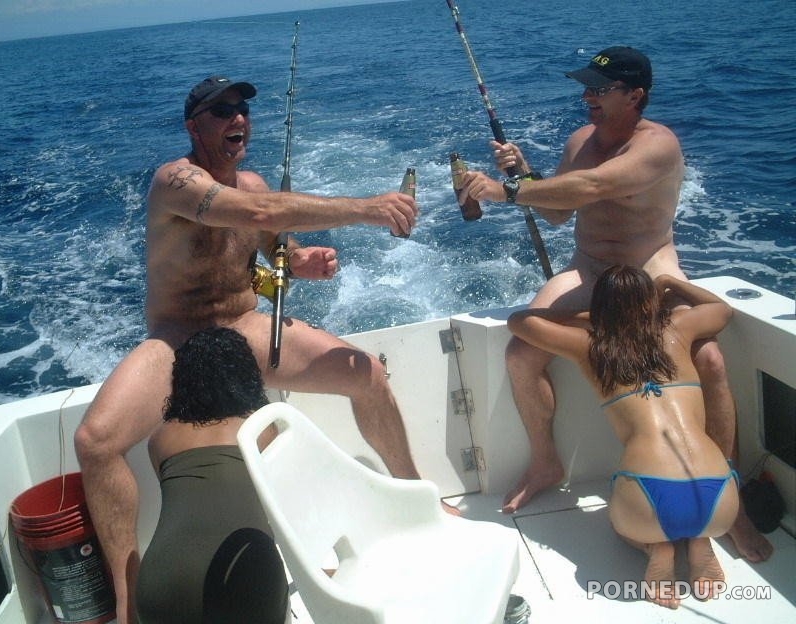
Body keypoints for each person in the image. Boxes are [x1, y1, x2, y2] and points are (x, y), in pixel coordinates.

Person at [74, 75, 450, 624]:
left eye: (243, 109)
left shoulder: (252, 183)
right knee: (96, 442)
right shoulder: (176, 180)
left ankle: (416, 499)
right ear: (194, 126)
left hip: (244, 325)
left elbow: (273, 245)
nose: (238, 119)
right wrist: (368, 208)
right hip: (180, 337)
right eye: (222, 110)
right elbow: (258, 216)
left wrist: (299, 261)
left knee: (367, 373)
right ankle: (128, 602)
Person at [460, 46, 772, 562]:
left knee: (710, 359)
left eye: (600, 89)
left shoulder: (659, 146)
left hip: (649, 269)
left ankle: (728, 490)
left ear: (635, 95)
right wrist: (525, 176)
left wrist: (507, 193)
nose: (587, 97)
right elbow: (560, 212)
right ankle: (545, 462)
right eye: (586, 87)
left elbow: (595, 184)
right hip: (589, 267)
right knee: (521, 353)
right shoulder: (580, 141)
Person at [508, 266, 738, 609]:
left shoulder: (589, 345)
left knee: (622, 522)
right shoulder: (679, 328)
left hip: (647, 503)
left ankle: (655, 546)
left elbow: (518, 322)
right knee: (697, 504)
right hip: (721, 500)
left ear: (600, 308)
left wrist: (585, 316)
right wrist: (669, 283)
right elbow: (723, 310)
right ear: (651, 303)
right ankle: (700, 539)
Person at [136, 326, 288, 624]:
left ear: (183, 382)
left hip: (158, 589)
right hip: (244, 584)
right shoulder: (262, 430)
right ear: (246, 376)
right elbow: (281, 520)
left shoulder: (161, 439)